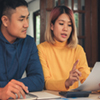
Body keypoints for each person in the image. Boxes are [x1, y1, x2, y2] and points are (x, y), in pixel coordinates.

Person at [37, 6, 90, 91]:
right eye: (61, 24)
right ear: (52, 26)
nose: (65, 29)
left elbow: (87, 80)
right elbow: (45, 83)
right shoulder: (42, 49)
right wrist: (66, 82)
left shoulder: (78, 49)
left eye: (69, 25)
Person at [0, 0, 44, 99]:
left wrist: (11, 87)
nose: (26, 24)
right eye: (21, 19)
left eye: (27, 18)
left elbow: (38, 80)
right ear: (5, 21)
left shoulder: (29, 42)